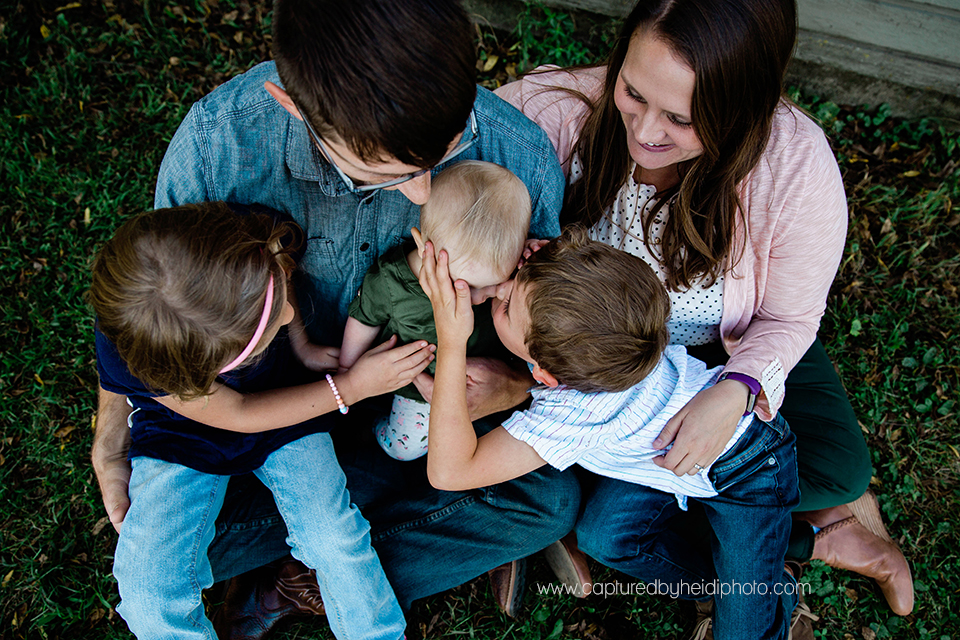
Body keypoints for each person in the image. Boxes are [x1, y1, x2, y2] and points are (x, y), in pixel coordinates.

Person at [90, 0, 580, 632]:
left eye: (446, 151)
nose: (423, 195)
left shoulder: (519, 153)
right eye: (388, 173)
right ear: (293, 104)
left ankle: (303, 576)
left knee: (547, 501)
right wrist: (111, 431)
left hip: (426, 409)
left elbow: (545, 316)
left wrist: (512, 387)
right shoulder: (218, 146)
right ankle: (365, 553)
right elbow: (154, 320)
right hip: (262, 411)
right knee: (153, 553)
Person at [495, 0, 913, 621]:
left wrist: (738, 388)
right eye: (632, 92)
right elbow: (458, 169)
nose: (643, 132)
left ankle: (786, 522)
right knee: (615, 521)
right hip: (585, 352)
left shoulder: (796, 169)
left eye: (680, 118)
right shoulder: (553, 112)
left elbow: (790, 320)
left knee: (839, 468)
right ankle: (811, 539)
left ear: (740, 109)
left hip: (721, 347)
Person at [418, 227, 802, 639]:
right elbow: (581, 282)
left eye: (508, 305)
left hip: (752, 471)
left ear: (546, 375)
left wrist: (452, 339)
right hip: (672, 458)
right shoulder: (615, 323)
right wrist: (551, 266)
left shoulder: (570, 414)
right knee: (608, 539)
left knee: (744, 635)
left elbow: (450, 472)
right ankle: (723, 590)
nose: (502, 291)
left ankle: (768, 596)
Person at [90, 202, 433, 639]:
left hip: (290, 404)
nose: (290, 314)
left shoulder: (250, 236)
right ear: (203, 371)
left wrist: (302, 344)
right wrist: (352, 388)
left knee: (334, 538)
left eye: (276, 301)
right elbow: (239, 412)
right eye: (265, 333)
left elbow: (279, 281)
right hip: (179, 433)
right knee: (147, 593)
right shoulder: (138, 356)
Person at [341, 161, 531, 461]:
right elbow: (363, 318)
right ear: (422, 244)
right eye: (463, 285)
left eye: (491, 285)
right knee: (405, 448)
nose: (476, 298)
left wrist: (515, 276)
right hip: (419, 384)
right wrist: (348, 368)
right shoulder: (393, 281)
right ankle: (375, 432)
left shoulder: (483, 271)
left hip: (481, 377)